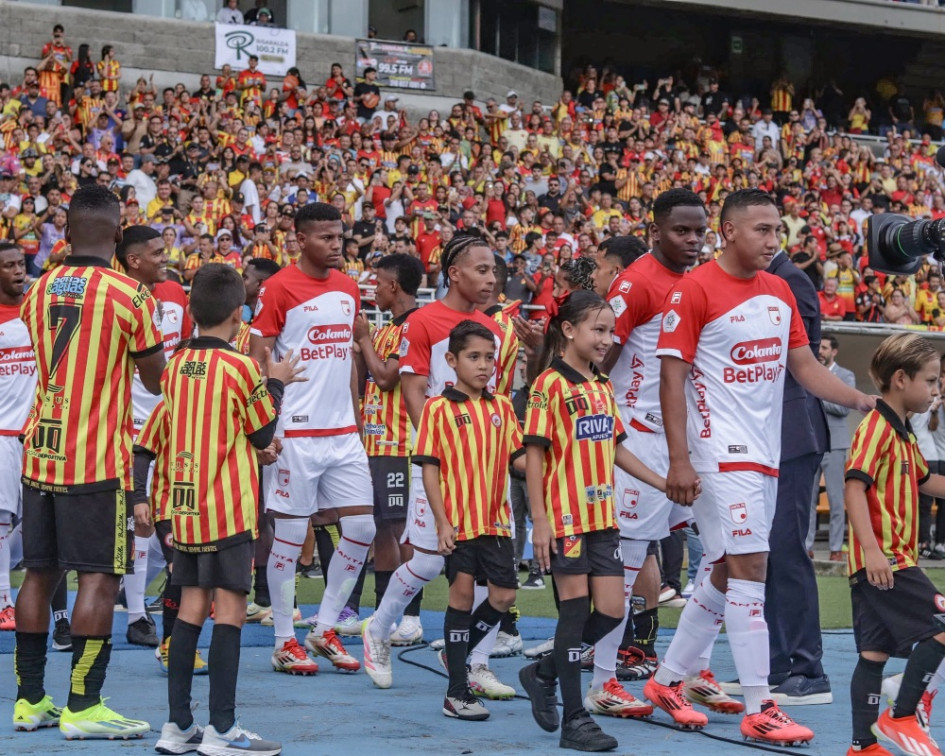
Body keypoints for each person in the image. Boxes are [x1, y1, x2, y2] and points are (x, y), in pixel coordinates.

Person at [644, 189, 873, 744]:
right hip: (719, 454)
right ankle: (760, 704)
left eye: (778, 231)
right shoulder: (694, 291)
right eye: (762, 230)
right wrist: (678, 459)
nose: (773, 241)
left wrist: (864, 400)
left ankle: (668, 680)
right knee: (751, 571)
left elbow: (805, 368)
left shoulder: (779, 291)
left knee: (726, 569)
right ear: (727, 231)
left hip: (765, 455)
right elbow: (669, 378)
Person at [13, 185, 165, 738]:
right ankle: (84, 703)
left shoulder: (39, 287)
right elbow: (155, 378)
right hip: (97, 458)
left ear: (68, 232)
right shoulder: (132, 296)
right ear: (120, 234)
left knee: (38, 576)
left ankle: (30, 700)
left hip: (42, 450)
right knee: (99, 579)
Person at [599, 189, 740, 709]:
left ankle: (694, 668)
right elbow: (599, 358)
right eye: (681, 231)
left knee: (722, 549)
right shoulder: (635, 283)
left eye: (699, 231)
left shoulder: (700, 282)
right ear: (654, 230)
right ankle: (602, 682)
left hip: (690, 437)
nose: (692, 240)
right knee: (630, 558)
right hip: (640, 439)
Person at [154, 263, 301, 756]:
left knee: (191, 610)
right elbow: (262, 431)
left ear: (192, 310)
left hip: (187, 508)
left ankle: (177, 727)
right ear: (239, 315)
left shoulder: (175, 363)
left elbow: (210, 431)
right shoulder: (240, 366)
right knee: (231, 612)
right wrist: (276, 381)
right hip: (229, 508)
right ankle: (222, 729)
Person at [362, 233, 511, 690]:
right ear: (454, 274)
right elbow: (412, 391)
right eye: (481, 270)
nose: (490, 279)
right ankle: (378, 629)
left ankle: (475, 659)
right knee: (427, 563)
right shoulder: (424, 322)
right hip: (439, 464)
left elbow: (496, 397)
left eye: (493, 271)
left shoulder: (497, 329)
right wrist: (442, 450)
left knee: (491, 568)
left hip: (488, 467)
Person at [518, 290, 666, 752]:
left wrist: (662, 483)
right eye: (598, 330)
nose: (608, 339)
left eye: (610, 330)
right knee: (577, 611)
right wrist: (540, 521)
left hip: (604, 517)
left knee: (613, 611)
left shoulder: (601, 384)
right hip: (566, 519)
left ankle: (542, 673)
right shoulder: (549, 385)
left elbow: (615, 448)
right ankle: (574, 719)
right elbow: (536, 455)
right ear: (568, 330)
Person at [250, 202, 372, 675]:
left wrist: (358, 421)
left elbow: (347, 362)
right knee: (291, 534)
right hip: (295, 432)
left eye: (339, 236)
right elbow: (259, 361)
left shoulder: (347, 288)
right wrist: (264, 429)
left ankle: (323, 628)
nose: (336, 244)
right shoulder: (277, 288)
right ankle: (284, 640)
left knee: (361, 528)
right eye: (325, 237)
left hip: (343, 433)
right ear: (300, 239)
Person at [416, 320, 523, 720]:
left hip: (496, 523)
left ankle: (454, 652)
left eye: (489, 358)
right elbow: (429, 468)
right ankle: (456, 692)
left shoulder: (502, 407)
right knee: (461, 597)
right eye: (473, 357)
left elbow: (518, 459)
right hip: (459, 524)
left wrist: (552, 461)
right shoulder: (438, 408)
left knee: (503, 597)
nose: (483, 366)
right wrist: (442, 522)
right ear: (452, 360)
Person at [844, 333, 945, 756]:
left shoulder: (902, 433)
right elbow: (853, 487)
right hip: (887, 562)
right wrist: (871, 551)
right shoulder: (877, 427)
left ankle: (862, 745)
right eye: (932, 380)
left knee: (873, 654)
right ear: (901, 379)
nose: (937, 390)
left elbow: (925, 481)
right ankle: (902, 714)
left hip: (884, 564)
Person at [759, 240, 833, 707]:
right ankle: (777, 666)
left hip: (792, 432)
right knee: (764, 553)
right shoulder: (772, 279)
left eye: (769, 230)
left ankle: (808, 670)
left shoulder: (792, 280)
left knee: (786, 550)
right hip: (768, 432)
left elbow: (797, 358)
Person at [114, 226, 192, 649]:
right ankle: (138, 615)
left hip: (170, 427)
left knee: (173, 520)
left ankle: (147, 601)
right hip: (128, 430)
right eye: (157, 252)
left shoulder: (176, 294)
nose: (166, 258)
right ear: (133, 259)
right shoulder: (118, 296)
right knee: (139, 524)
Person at [352, 253, 424, 668]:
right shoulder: (386, 329)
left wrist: (362, 339)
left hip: (400, 444)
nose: (373, 289)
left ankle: (410, 617)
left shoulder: (413, 327)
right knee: (382, 529)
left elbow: (385, 378)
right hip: (376, 445)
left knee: (402, 530)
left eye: (378, 282)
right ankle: (385, 612)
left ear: (394, 286)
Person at [0, 243, 35, 632]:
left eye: (20, 264)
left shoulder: (34, 311)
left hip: (36, 435)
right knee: (2, 521)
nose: (17, 271)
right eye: (8, 265)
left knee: (35, 524)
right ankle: (3, 602)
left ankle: (21, 598)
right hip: (3, 434)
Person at [810, 335, 856, 562]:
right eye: (818, 346)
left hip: (836, 446)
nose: (820, 351)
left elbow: (844, 408)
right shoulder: (809, 372)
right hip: (811, 444)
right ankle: (806, 545)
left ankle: (836, 547)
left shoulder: (846, 376)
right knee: (807, 500)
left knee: (837, 500)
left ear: (834, 352)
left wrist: (817, 394)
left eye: (824, 348)